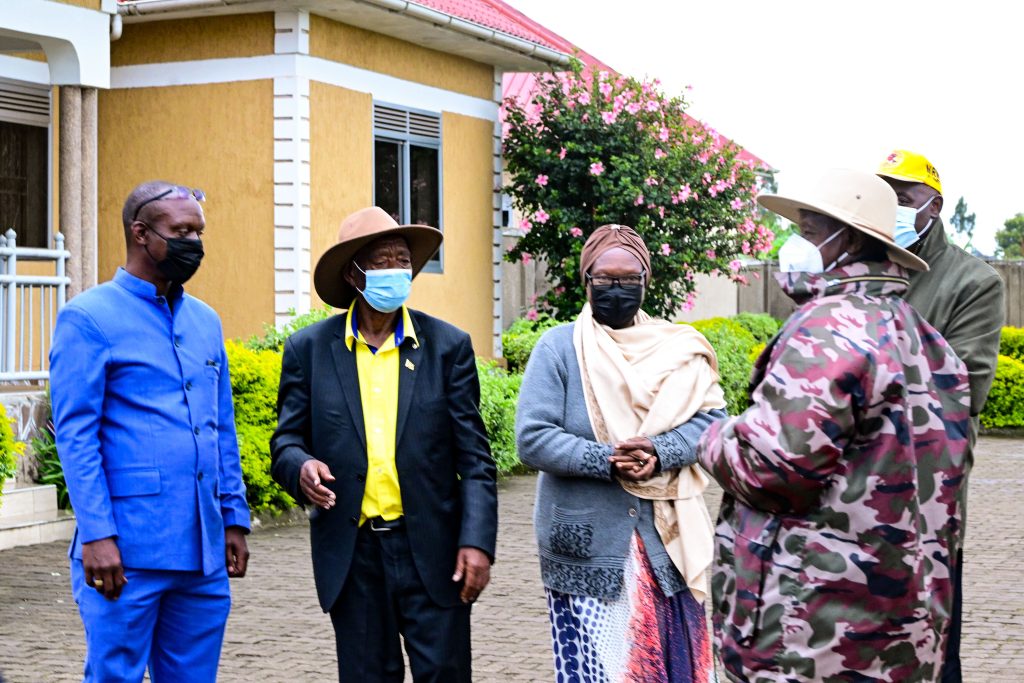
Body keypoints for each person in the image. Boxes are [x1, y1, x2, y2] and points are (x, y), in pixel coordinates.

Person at [697, 168, 972, 682]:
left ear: (844, 239)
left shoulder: (828, 327)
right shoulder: (925, 337)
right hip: (901, 629)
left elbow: (773, 469)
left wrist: (712, 436)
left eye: (806, 231)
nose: (793, 245)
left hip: (812, 632)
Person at [270, 206, 498, 682]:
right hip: (353, 558)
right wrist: (301, 466)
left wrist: (477, 542)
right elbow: (286, 441)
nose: (396, 270)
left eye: (402, 260)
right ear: (354, 275)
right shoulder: (309, 351)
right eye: (382, 261)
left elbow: (475, 459)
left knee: (446, 674)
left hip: (433, 553)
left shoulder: (447, 347)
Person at [50, 181, 251, 683]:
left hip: (202, 550)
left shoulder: (205, 321)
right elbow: (76, 435)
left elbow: (221, 427)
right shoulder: (89, 318)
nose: (194, 244)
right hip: (126, 549)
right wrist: (96, 533)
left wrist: (233, 517)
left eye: (199, 232)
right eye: (180, 231)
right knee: (114, 675)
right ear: (140, 233)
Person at [515, 224, 727, 682]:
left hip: (667, 544)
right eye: (605, 278)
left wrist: (661, 451)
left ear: (646, 281)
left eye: (629, 279)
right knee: (603, 669)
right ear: (586, 281)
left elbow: (714, 422)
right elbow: (532, 438)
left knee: (673, 664)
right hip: (588, 548)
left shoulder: (677, 349)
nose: (617, 288)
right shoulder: (559, 348)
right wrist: (607, 459)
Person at [877, 150, 1005, 682]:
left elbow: (962, 389)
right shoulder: (861, 269)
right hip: (844, 507)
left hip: (924, 493)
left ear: (934, 206)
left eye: (903, 199)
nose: (893, 210)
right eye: (885, 199)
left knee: (928, 651)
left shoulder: (972, 282)